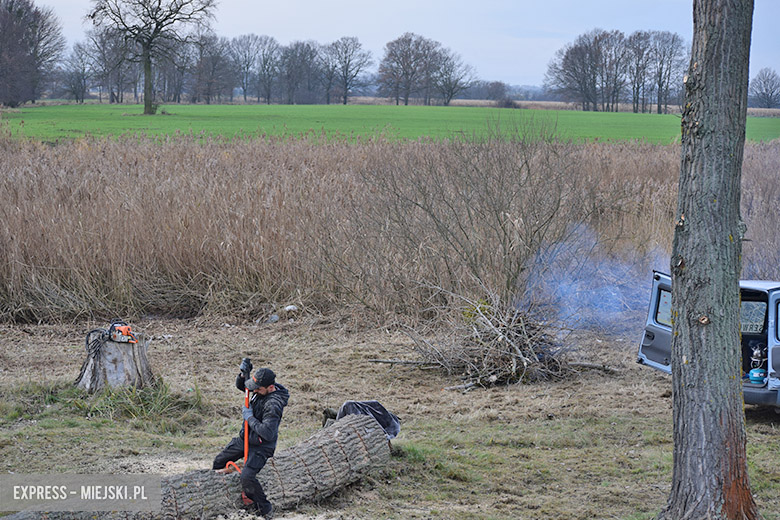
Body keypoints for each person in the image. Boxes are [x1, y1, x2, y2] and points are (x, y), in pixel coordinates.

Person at [213, 364, 290, 519]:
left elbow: (267, 433)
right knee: (219, 461)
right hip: (245, 438)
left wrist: (249, 417)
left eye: (257, 388)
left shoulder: (273, 404)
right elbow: (245, 387)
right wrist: (242, 375)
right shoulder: (259, 390)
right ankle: (223, 497)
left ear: (270, 387)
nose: (254, 390)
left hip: (262, 445)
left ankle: (265, 509)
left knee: (247, 477)